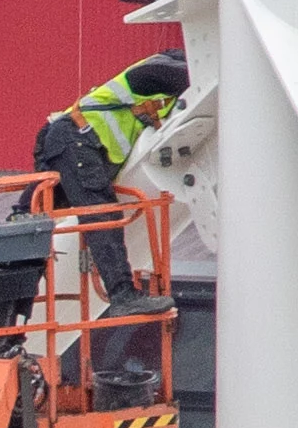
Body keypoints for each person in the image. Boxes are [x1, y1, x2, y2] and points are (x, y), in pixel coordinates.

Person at [31, 52, 189, 307]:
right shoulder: (154, 74)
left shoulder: (159, 74)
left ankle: (9, 305)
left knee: (33, 216)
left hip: (74, 140)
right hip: (77, 140)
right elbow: (196, 77)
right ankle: (122, 295)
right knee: (101, 215)